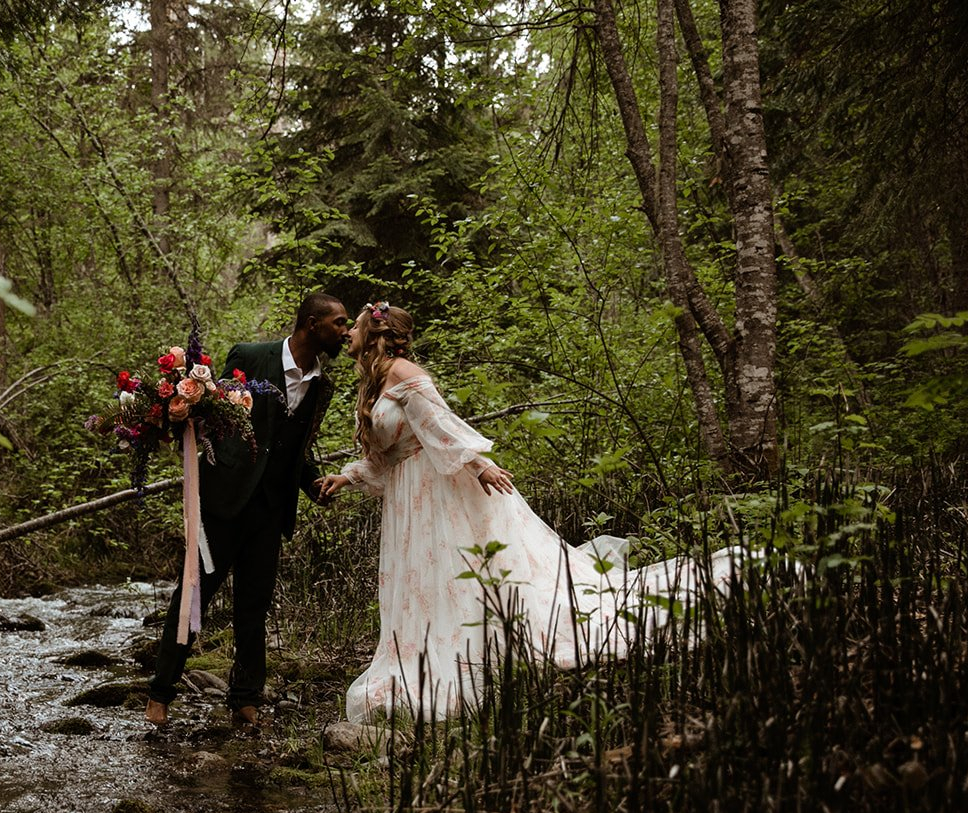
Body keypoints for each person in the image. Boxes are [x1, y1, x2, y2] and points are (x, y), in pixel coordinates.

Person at [316, 302, 745, 722]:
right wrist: (347, 477)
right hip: (407, 497)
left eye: (355, 325)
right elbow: (386, 457)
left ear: (375, 334)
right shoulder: (375, 381)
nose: (348, 333)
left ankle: (461, 657)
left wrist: (479, 465)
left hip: (434, 490)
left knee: (454, 573)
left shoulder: (405, 373)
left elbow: (441, 426)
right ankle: (425, 651)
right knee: (423, 578)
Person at [144, 292, 351, 728]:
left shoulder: (321, 385)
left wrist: (314, 484)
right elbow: (210, 418)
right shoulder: (250, 357)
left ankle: (244, 698)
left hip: (271, 511)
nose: (345, 331)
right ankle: (160, 693)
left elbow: (295, 448)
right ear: (312, 324)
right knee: (193, 596)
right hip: (223, 502)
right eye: (339, 323)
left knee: (254, 606)